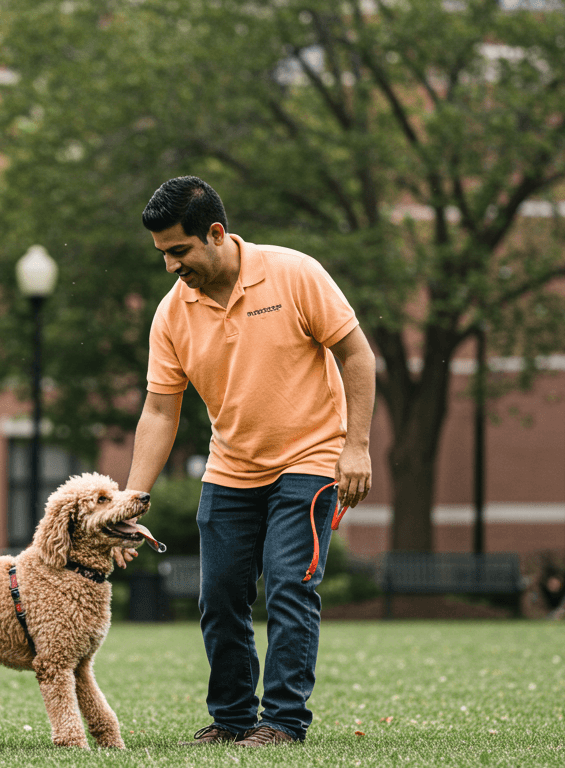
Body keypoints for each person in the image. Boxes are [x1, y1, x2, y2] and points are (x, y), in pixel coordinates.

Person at [122, 176, 376, 747]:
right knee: (220, 597)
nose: (170, 266)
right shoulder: (171, 314)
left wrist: (355, 445)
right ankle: (234, 717)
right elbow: (160, 411)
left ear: (216, 234)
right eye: (162, 254)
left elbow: (356, 353)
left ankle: (283, 721)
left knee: (289, 585)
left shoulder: (294, 273)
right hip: (231, 469)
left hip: (309, 458)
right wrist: (132, 499)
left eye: (179, 251)